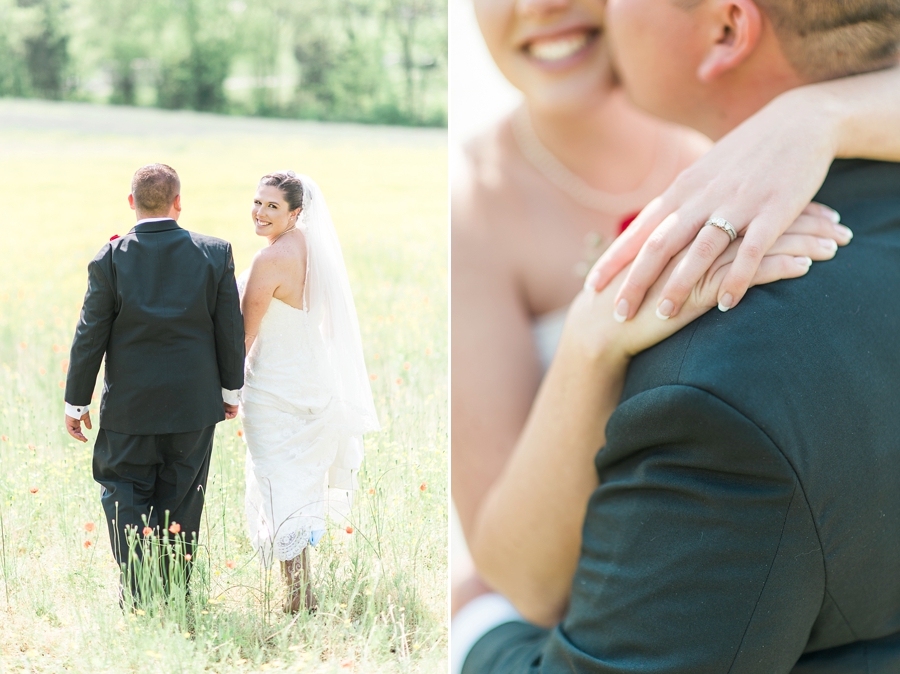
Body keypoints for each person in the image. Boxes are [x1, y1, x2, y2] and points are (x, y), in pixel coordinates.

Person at [456, 0, 900, 670]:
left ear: (726, 30)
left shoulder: (757, 115)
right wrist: (589, 341)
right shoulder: (474, 202)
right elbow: (520, 573)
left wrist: (816, 116)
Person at [64, 163, 244, 602]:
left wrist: (76, 403)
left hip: (130, 408)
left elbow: (90, 334)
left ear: (131, 203)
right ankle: (175, 594)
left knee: (124, 491)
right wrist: (230, 391)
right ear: (178, 203)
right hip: (194, 406)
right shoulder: (215, 253)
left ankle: (139, 592)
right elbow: (229, 330)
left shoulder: (109, 258)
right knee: (182, 499)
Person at [238, 171, 379, 613]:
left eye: (273, 206)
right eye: (258, 202)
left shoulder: (270, 260)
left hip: (276, 387)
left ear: (296, 212)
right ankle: (300, 593)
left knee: (281, 486)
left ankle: (299, 600)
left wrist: (224, 390)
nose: (260, 212)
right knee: (296, 486)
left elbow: (244, 336)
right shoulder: (309, 246)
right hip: (312, 377)